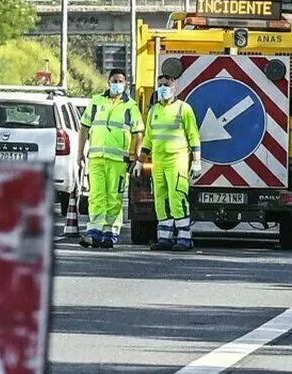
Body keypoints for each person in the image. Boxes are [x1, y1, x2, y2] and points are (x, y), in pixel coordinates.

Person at [78, 69, 143, 249]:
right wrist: (79, 153)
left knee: (114, 197)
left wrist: (136, 157)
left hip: (118, 160)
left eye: (120, 81)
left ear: (126, 83)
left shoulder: (130, 106)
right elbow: (84, 127)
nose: (117, 84)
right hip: (97, 157)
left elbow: (138, 133)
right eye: (114, 80)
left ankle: (111, 232)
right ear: (108, 82)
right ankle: (94, 230)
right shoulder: (97, 101)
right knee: (96, 195)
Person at [137, 74, 202, 251]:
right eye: (160, 85)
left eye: (167, 84)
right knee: (160, 198)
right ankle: (164, 238)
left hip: (177, 160)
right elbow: (149, 139)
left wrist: (196, 162)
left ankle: (184, 238)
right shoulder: (153, 111)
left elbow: (193, 136)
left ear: (174, 87)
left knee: (177, 197)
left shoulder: (183, 109)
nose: (163, 88)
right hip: (158, 162)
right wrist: (140, 161)